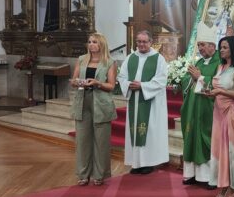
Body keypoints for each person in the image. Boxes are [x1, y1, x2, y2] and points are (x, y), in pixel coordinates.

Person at [117, 30, 169, 174]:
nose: (141, 44)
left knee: (149, 131)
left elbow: (161, 80)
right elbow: (122, 77)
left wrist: (143, 86)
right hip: (134, 100)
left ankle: (148, 162)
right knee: (135, 130)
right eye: (139, 41)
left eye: (144, 41)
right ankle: (136, 163)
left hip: (150, 103)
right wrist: (128, 85)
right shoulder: (130, 58)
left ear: (151, 42)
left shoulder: (159, 59)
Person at [70, 33, 118, 186]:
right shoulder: (81, 59)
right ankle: (83, 174)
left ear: (101, 44)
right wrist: (78, 82)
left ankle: (100, 174)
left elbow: (111, 86)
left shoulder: (109, 62)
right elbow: (73, 80)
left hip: (101, 103)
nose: (91, 44)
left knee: (101, 141)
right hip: (83, 101)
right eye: (89, 42)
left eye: (94, 42)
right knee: (82, 140)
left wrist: (97, 83)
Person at [207, 36, 234, 197]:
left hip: (232, 112)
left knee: (232, 150)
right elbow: (218, 88)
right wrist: (210, 92)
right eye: (221, 47)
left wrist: (220, 92)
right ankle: (224, 184)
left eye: (224, 47)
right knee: (220, 149)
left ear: (233, 48)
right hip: (218, 112)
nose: (221, 50)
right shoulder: (221, 66)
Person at [179, 22, 221, 187]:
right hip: (192, 108)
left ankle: (209, 177)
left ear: (212, 45)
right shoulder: (199, 63)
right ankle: (192, 175)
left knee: (206, 141)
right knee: (192, 138)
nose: (200, 49)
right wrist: (187, 78)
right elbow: (187, 80)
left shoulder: (219, 63)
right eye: (198, 46)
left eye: (202, 45)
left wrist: (200, 78)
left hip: (207, 110)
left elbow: (219, 84)